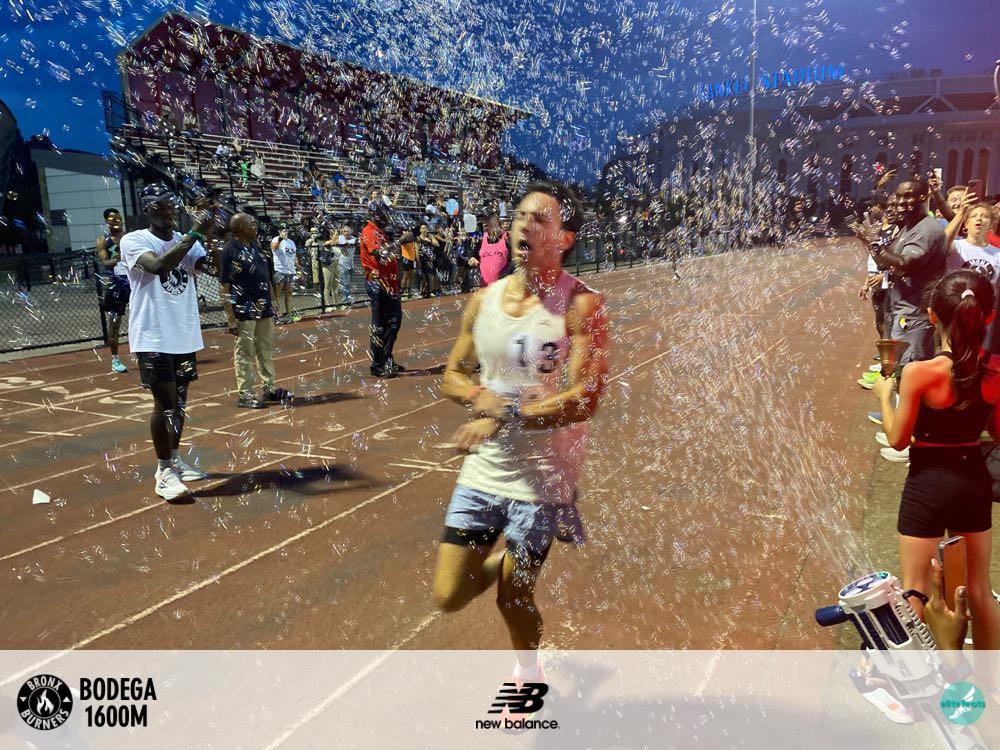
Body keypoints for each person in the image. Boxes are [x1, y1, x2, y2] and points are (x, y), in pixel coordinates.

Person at [432, 180, 610, 682]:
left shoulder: (581, 305)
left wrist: (504, 413)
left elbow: (585, 397)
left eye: (540, 218)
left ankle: (528, 673)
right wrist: (476, 397)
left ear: (564, 239)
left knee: (514, 596)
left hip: (545, 478)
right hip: (485, 470)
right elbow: (452, 374)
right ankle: (506, 555)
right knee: (449, 596)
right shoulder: (482, 301)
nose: (525, 225)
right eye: (519, 216)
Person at [873, 269, 1000, 649]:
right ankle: (990, 676)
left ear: (932, 315)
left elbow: (897, 439)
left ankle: (923, 676)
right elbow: (997, 432)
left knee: (915, 589)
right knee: (978, 589)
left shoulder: (919, 373)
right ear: (988, 316)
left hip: (927, 483)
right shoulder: (994, 370)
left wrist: (885, 395)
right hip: (973, 480)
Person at [119, 182, 218, 501]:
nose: (168, 211)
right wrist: (195, 233)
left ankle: (174, 460)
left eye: (171, 205)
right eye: (160, 206)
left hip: (183, 335)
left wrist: (209, 231)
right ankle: (163, 472)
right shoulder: (134, 240)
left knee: (180, 403)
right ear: (148, 209)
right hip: (153, 335)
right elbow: (159, 266)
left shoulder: (185, 239)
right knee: (165, 404)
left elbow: (213, 268)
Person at [219, 213, 290, 408]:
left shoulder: (256, 247)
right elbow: (225, 287)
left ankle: (269, 388)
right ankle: (245, 393)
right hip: (244, 309)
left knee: (265, 349)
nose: (255, 227)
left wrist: (273, 301)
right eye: (251, 224)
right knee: (244, 352)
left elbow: (265, 276)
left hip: (264, 307)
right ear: (241, 228)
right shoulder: (230, 251)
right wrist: (230, 317)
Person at [359, 200, 414, 378]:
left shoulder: (381, 232)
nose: (387, 216)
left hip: (389, 283)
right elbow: (379, 254)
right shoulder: (369, 231)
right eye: (384, 212)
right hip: (377, 283)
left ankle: (386, 358)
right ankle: (377, 365)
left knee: (394, 321)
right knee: (380, 325)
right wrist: (400, 241)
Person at [95, 208, 129, 373]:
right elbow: (105, 263)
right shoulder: (103, 240)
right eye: (112, 219)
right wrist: (117, 260)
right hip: (116, 284)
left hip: (135, 283)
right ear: (107, 222)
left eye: (118, 218)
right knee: (114, 323)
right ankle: (115, 359)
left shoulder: (130, 237)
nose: (116, 221)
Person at [946, 199, 1000, 282]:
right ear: (966, 224)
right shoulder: (956, 246)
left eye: (985, 216)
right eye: (974, 216)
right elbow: (943, 241)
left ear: (990, 225)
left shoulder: (998, 254)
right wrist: (962, 212)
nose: (979, 218)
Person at [270, 227, 298, 322]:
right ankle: (276, 314)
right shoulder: (276, 239)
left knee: (289, 292)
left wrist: (297, 265)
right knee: (277, 293)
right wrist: (280, 239)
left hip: (290, 270)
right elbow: (274, 248)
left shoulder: (291, 242)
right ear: (279, 231)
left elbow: (294, 255)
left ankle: (289, 314)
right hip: (280, 269)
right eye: (282, 229)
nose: (285, 231)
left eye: (286, 229)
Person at [477, 215, 513, 286]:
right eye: (484, 221)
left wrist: (504, 275)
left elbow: (516, 260)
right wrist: (472, 258)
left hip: (503, 286)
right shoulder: (481, 240)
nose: (486, 223)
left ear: (499, 225)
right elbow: (472, 257)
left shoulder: (507, 238)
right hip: (485, 286)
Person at [337, 225, 357, 307]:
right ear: (342, 232)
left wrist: (348, 244)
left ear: (351, 231)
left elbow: (355, 242)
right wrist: (347, 244)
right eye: (344, 231)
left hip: (351, 263)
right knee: (346, 282)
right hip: (342, 264)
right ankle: (346, 299)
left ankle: (346, 296)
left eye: (348, 231)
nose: (346, 233)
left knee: (350, 282)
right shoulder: (340, 237)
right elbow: (343, 245)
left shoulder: (354, 238)